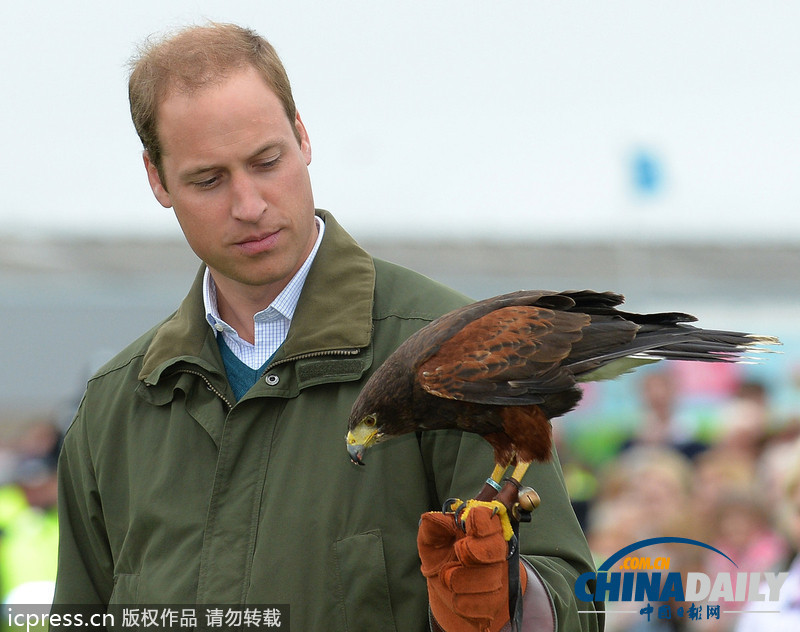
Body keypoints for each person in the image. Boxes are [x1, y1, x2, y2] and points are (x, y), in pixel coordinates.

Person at [53, 22, 602, 631]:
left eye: (267, 161)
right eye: (208, 179)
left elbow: (580, 605)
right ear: (157, 180)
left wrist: (511, 595)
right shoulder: (112, 409)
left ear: (303, 137)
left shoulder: (450, 357)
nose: (250, 204)